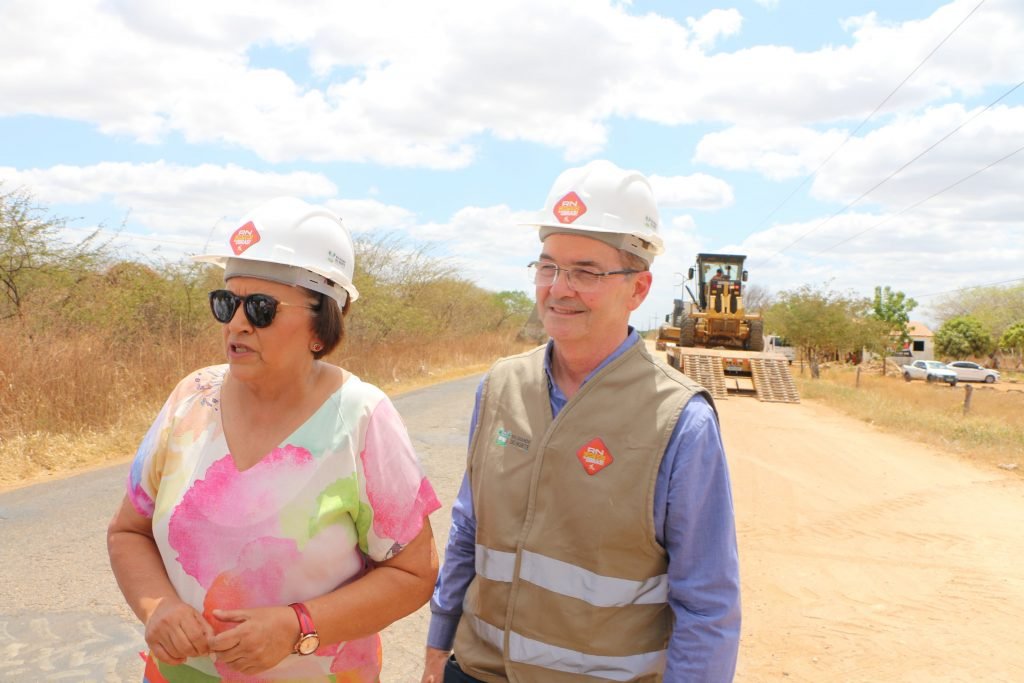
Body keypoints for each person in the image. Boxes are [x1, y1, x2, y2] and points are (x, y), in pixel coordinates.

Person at [421, 160, 741, 682]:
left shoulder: (680, 421)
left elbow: (707, 606)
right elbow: (468, 531)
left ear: (638, 289)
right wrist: (439, 642)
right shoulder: (501, 386)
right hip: (476, 671)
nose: (558, 288)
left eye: (586, 272)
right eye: (548, 267)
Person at [107, 197, 442, 682]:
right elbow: (128, 531)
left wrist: (297, 627)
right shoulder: (191, 397)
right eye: (227, 303)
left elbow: (414, 574)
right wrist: (157, 607)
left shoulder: (362, 417)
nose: (236, 324)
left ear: (320, 325)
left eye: (261, 309)